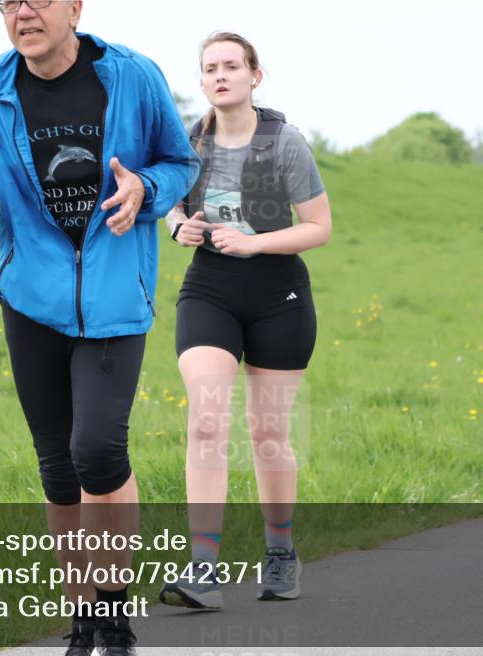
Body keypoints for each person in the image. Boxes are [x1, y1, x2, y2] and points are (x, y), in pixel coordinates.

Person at [0, 1, 198, 656]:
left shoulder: (132, 75)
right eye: (8, 1)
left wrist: (146, 190)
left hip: (114, 295)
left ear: (74, 6)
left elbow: (180, 162)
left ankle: (115, 622)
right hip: (30, 300)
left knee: (97, 452)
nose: (23, 11)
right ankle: (81, 626)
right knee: (57, 466)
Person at [157, 32, 332, 609]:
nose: (220, 75)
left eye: (232, 66)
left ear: (255, 76)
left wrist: (254, 244)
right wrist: (178, 226)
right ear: (202, 80)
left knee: (267, 433)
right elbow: (169, 202)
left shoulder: (284, 142)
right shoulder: (188, 142)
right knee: (207, 422)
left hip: (279, 295)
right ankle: (203, 568)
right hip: (209, 290)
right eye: (210, 68)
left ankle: (280, 553)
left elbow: (319, 227)